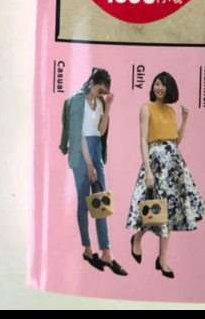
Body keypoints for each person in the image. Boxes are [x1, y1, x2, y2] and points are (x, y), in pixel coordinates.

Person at [126, 72, 205, 279]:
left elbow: (176, 141)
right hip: (155, 163)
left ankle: (162, 260)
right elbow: (143, 140)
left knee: (167, 213)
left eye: (164, 85)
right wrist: (148, 171)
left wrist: (185, 121)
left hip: (173, 165)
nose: (160, 88)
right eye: (157, 84)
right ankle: (137, 238)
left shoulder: (171, 111)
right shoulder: (146, 109)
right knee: (153, 208)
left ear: (170, 89)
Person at [59, 67, 126, 275]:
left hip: (96, 150)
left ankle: (106, 252)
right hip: (81, 154)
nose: (101, 94)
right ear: (91, 83)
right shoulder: (77, 101)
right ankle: (88, 249)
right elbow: (77, 134)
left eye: (105, 92)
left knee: (102, 203)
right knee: (83, 203)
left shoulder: (101, 102)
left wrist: (108, 107)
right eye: (99, 90)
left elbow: (101, 131)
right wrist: (89, 166)